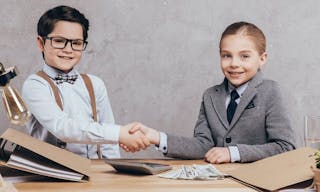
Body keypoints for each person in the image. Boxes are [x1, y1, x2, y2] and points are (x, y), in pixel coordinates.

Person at [127, 21, 296, 163]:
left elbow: (285, 147)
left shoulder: (270, 91)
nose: (234, 63)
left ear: (262, 59)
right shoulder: (210, 96)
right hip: (217, 183)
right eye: (226, 56)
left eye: (244, 56)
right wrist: (156, 137)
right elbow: (202, 146)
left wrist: (233, 152)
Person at [22, 5, 149, 159]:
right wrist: (118, 133)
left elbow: (109, 143)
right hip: (54, 175)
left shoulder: (95, 84)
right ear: (41, 43)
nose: (68, 49)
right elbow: (63, 128)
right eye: (59, 41)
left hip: (97, 173)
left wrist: (114, 173)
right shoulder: (35, 85)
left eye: (76, 43)